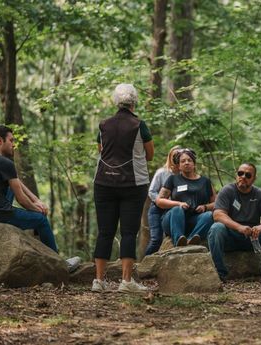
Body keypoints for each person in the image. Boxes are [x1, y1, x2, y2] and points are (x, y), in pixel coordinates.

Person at [0, 125, 81, 272]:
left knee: (14, 186)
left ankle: (41, 251)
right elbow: (22, 200)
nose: (14, 144)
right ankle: (60, 265)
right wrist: (39, 210)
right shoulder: (5, 163)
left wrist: (36, 199)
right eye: (11, 140)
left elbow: (16, 183)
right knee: (41, 220)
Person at [92, 83, 154, 293]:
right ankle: (126, 281)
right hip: (133, 184)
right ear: (134, 102)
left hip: (103, 183)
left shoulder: (103, 124)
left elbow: (101, 150)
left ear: (115, 101)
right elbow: (150, 154)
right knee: (129, 231)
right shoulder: (139, 125)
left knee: (104, 231)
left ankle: (98, 281)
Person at [208, 163, 261, 282]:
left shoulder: (259, 194)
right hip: (231, 237)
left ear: (254, 178)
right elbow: (218, 214)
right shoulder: (227, 190)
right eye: (240, 173)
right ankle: (219, 274)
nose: (243, 176)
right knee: (216, 228)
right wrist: (239, 227)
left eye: (248, 175)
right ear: (237, 175)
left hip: (253, 238)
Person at [156, 149, 216, 247]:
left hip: (195, 220)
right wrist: (178, 203)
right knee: (177, 209)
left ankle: (191, 240)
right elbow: (159, 201)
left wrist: (205, 207)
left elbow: (216, 203)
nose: (186, 163)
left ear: (194, 164)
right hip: (173, 220)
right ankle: (178, 240)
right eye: (183, 161)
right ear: (178, 166)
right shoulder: (173, 179)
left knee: (209, 215)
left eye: (189, 160)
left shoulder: (205, 181)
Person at [144, 145, 181, 256]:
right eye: (174, 155)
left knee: (170, 239)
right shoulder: (162, 172)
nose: (176, 158)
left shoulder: (183, 174)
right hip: (157, 209)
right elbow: (152, 191)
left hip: (174, 210)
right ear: (170, 157)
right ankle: (144, 264)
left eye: (179, 156)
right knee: (156, 240)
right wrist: (161, 202)